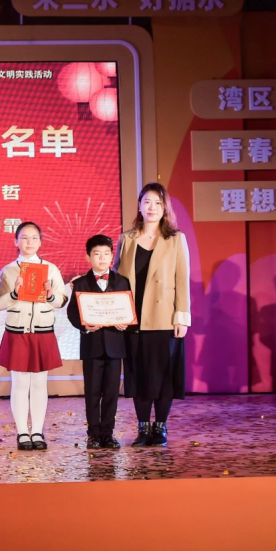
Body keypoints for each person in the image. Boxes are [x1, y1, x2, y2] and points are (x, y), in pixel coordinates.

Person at [116, 183, 191, 447]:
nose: (152, 208)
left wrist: (181, 316)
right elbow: (117, 277)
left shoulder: (175, 239)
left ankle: (160, 426)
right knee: (138, 373)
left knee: (163, 374)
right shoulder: (127, 238)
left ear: (165, 207)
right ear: (139, 205)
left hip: (164, 317)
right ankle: (142, 426)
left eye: (158, 203)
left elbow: (182, 279)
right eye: (147, 202)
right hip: (133, 317)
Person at [0, 222, 67, 451]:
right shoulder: (8, 270)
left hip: (43, 331)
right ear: (16, 241)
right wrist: (15, 293)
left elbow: (62, 301)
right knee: (20, 383)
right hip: (18, 331)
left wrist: (50, 296)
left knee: (40, 383)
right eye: (24, 238)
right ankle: (22, 432)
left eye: (34, 238)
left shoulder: (51, 269)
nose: (29, 242)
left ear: (41, 242)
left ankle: (37, 431)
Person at [67, 234, 130, 450]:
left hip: (115, 346)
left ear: (112, 256)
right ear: (88, 257)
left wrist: (125, 322)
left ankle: (108, 434)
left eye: (106, 253)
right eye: (97, 254)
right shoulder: (80, 283)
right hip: (92, 346)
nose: (102, 258)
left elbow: (129, 309)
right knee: (93, 393)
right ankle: (93, 434)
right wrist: (85, 326)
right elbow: (72, 313)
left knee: (112, 392)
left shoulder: (122, 281)